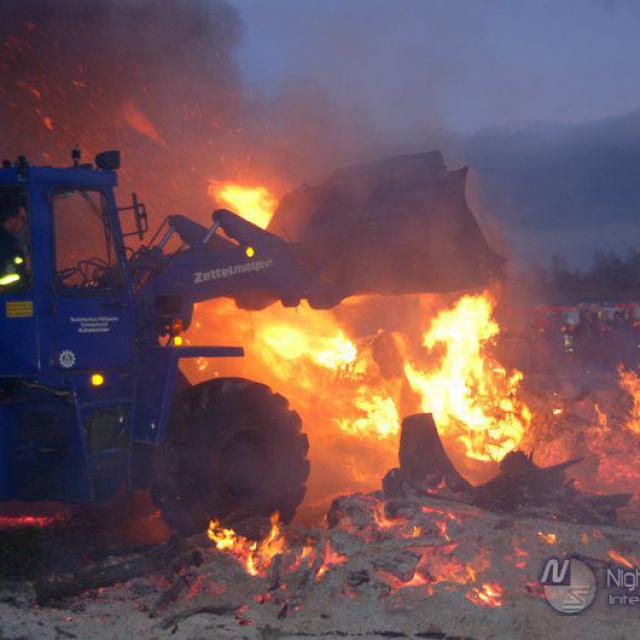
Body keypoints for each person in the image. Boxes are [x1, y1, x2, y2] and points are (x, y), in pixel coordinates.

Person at [0, 188, 28, 290]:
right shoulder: (7, 246)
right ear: (11, 220)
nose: (25, 224)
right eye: (22, 219)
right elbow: (11, 281)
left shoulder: (9, 243)